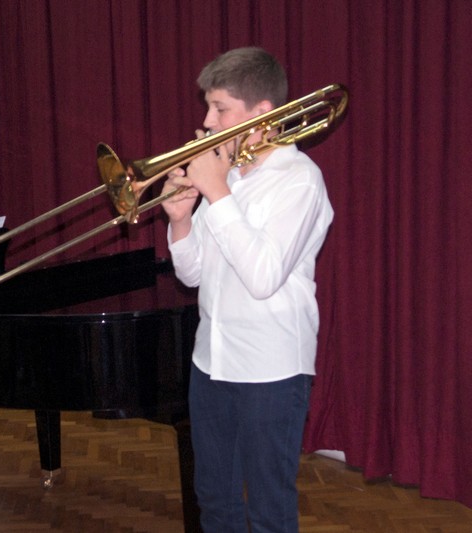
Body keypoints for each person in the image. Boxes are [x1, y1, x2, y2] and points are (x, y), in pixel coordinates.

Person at [160, 47, 334, 532]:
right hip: (210, 361)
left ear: (263, 114)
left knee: (269, 509)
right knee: (214, 500)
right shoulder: (230, 173)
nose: (207, 121)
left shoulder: (299, 181)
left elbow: (262, 277)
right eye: (208, 107)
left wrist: (216, 193)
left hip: (270, 368)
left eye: (220, 108)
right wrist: (180, 221)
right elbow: (193, 275)